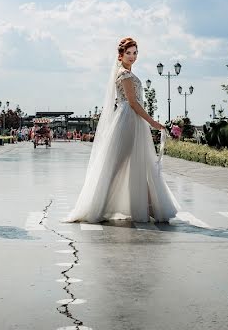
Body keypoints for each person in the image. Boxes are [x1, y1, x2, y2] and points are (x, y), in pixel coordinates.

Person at [63, 37, 179, 224]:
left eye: (135, 53)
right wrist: (153, 123)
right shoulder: (124, 74)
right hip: (128, 120)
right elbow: (133, 103)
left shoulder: (128, 72)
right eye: (129, 53)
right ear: (121, 55)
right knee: (116, 165)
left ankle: (151, 207)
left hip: (134, 120)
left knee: (141, 163)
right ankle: (97, 207)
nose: (132, 57)